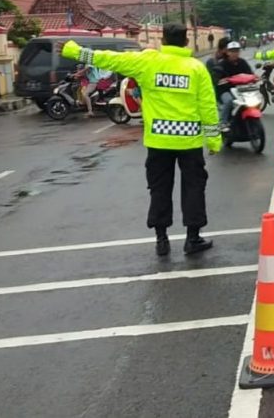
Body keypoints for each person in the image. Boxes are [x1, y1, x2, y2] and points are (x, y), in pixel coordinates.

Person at [61, 23, 221, 257]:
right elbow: (207, 106)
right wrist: (214, 139)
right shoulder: (196, 68)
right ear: (186, 42)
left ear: (163, 41)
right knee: (194, 188)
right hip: (189, 141)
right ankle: (192, 239)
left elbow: (109, 60)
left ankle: (162, 240)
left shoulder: (148, 62)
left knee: (159, 189)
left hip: (158, 140)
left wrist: (75, 51)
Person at [212, 41, 253, 131]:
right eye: (232, 51)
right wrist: (220, 80)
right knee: (228, 101)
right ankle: (223, 123)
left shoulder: (243, 62)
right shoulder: (222, 64)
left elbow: (250, 74)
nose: (234, 53)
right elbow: (216, 77)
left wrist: (254, 78)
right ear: (227, 52)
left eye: (236, 51)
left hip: (241, 90)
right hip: (225, 90)